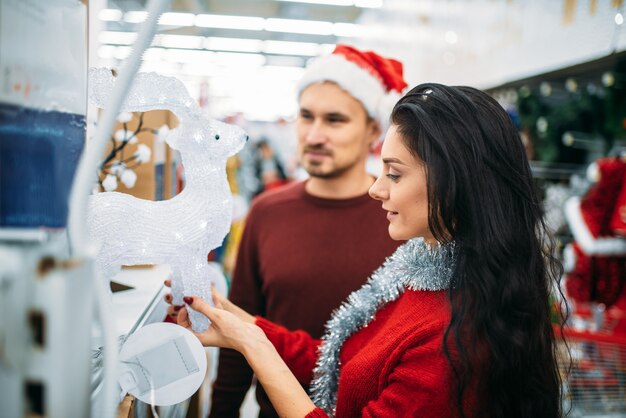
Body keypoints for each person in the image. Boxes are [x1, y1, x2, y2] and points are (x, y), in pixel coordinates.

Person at [177, 83, 565, 418]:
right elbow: (344, 364)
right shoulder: (419, 274)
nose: (377, 188)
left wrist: (254, 345)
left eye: (394, 174)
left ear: (456, 183)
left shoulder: (453, 339)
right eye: (305, 117)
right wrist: (241, 325)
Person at [186, 45, 408, 417]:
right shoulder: (268, 212)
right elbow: (238, 331)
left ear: (373, 129)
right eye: (307, 117)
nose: (315, 135)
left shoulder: (402, 216)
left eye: (335, 120)